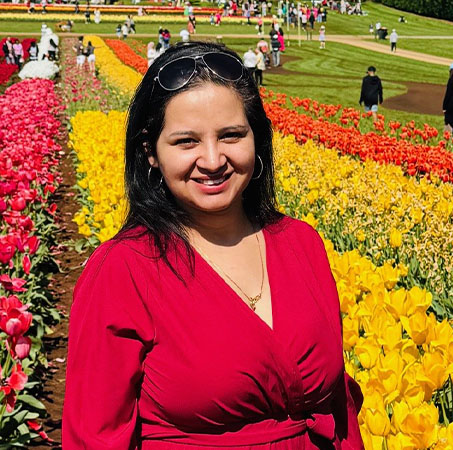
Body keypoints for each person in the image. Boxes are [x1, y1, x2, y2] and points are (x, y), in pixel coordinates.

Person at [63, 41, 364, 450]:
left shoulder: (300, 244)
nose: (212, 159)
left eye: (231, 135)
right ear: (151, 151)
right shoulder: (124, 270)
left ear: (257, 138)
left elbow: (338, 408)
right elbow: (94, 437)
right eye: (186, 141)